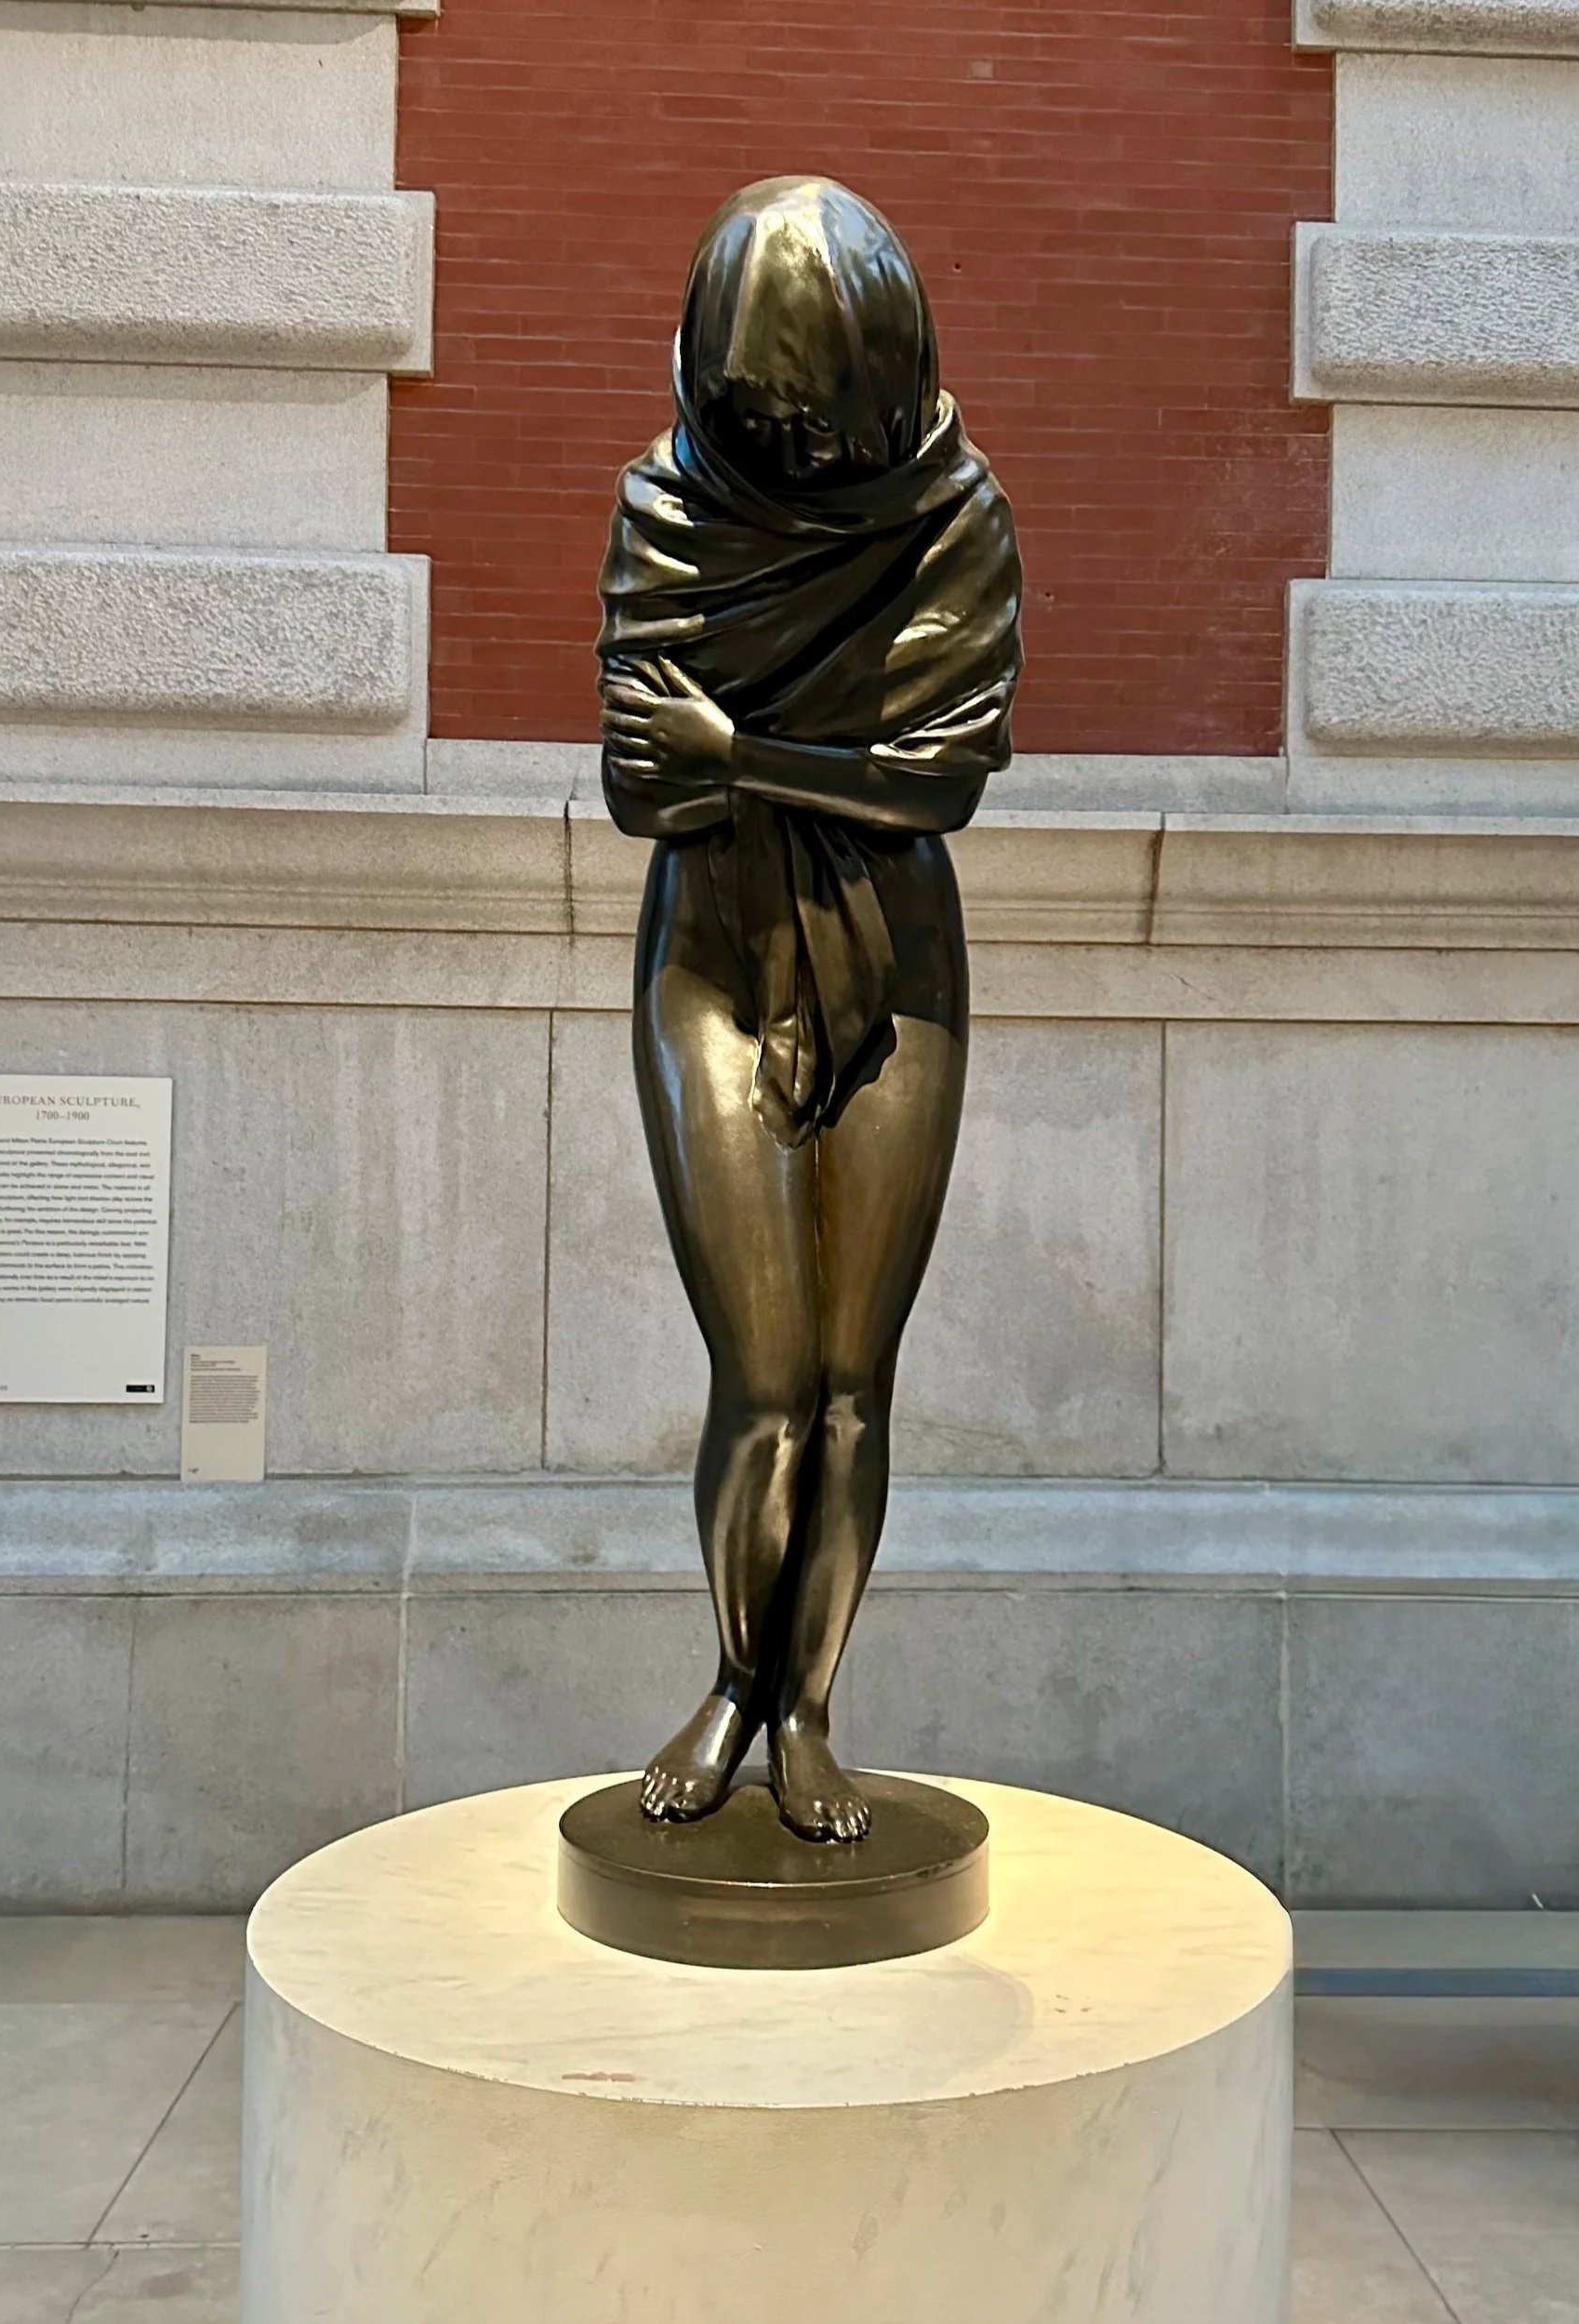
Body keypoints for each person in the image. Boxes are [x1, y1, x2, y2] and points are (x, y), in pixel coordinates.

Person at [597, 175, 1023, 1841]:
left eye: (830, 423)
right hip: (714, 951)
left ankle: (810, 1711)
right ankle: (733, 1680)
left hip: (896, 962)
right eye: (777, 424)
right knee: (762, 1372)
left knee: (853, 1378)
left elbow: (939, 783)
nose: (808, 454)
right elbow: (643, 790)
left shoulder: (956, 512)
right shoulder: (666, 507)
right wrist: (785, 768)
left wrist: (742, 754)